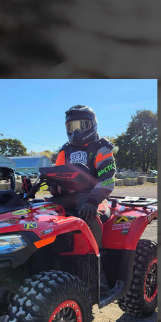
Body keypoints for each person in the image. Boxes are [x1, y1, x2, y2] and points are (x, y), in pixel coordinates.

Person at [51, 105, 115, 285]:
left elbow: (108, 180)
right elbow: (56, 177)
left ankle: (98, 271)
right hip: (66, 198)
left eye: (82, 125)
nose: (76, 131)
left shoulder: (102, 147)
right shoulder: (64, 151)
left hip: (95, 197)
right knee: (41, 215)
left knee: (89, 216)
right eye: (71, 127)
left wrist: (93, 201)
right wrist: (54, 186)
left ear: (92, 125)